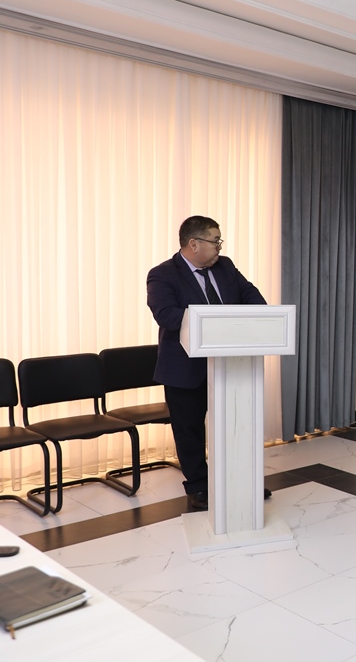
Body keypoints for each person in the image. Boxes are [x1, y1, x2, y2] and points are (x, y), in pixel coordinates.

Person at [147, 215, 270, 510]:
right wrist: (207, 321)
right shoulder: (162, 274)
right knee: (189, 432)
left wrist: (260, 315)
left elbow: (250, 295)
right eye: (215, 241)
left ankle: (240, 481)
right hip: (185, 368)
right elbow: (166, 315)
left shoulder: (225, 266)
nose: (219, 247)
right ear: (194, 244)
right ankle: (199, 486)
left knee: (235, 427)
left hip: (230, 365)